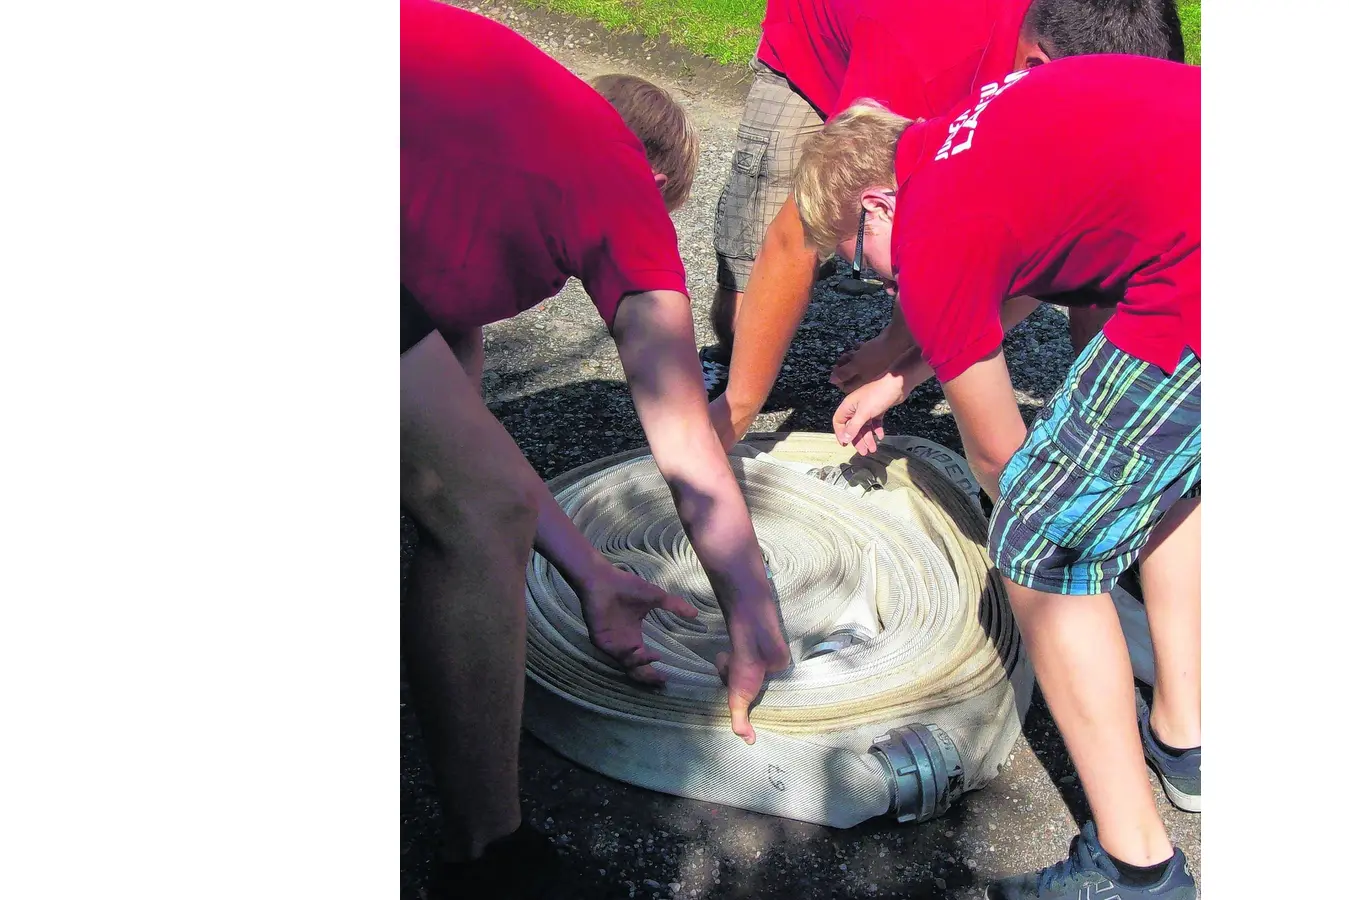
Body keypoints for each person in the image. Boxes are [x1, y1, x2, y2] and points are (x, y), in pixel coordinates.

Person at [400, 1, 789, 894]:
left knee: (471, 495)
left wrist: (589, 571)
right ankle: (490, 862)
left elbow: (470, 451)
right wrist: (752, 609)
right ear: (655, 180)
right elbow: (683, 426)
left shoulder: (482, 147)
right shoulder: (618, 181)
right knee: (479, 513)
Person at [792, 54, 1200, 899]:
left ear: (876, 205)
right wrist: (903, 375)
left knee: (1041, 538)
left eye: (861, 262)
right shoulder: (966, 131)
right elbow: (1015, 264)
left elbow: (998, 454)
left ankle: (1137, 869)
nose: (880, 282)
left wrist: (1065, 526)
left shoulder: (932, 230)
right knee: (1166, 470)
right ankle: (1188, 738)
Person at [706, 0, 1186, 449]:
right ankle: (732, 384)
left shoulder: (1125, 37)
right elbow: (794, 239)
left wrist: (898, 357)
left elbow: (1063, 246)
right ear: (1033, 68)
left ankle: (1103, 423)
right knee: (746, 306)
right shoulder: (926, 59)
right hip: (818, 46)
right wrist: (735, 412)